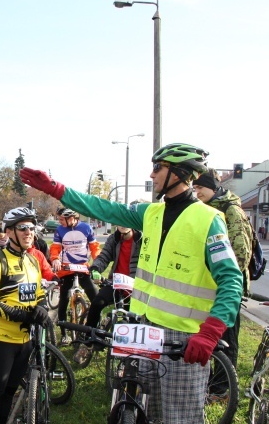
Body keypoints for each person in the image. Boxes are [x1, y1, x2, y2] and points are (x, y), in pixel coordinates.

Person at [20, 143, 243, 424]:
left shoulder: (209, 220)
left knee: (178, 418)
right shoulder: (151, 213)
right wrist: (56, 188)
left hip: (183, 341)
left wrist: (211, 333)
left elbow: (232, 280)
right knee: (136, 410)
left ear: (179, 172)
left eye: (158, 168)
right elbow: (102, 207)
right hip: (142, 329)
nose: (152, 175)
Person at [0, 207, 49, 424]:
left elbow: (39, 294)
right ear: (9, 232)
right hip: (0, 339)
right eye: (23, 227)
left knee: (10, 393)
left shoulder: (33, 261)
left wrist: (42, 307)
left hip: (24, 340)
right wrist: (24, 315)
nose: (29, 232)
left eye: (32, 227)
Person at [193, 167, 253, 389]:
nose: (196, 192)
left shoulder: (231, 211)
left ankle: (222, 387)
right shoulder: (207, 209)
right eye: (194, 187)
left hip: (228, 286)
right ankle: (211, 380)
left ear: (212, 187)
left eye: (200, 187)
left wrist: (226, 281)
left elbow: (240, 253)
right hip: (208, 284)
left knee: (228, 339)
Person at [73, 226, 142, 364]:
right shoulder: (114, 239)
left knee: (133, 321)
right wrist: (95, 269)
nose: (121, 224)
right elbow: (103, 257)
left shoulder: (142, 240)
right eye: (118, 221)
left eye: (124, 221)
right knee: (97, 303)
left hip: (136, 286)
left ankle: (131, 358)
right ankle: (88, 343)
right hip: (116, 283)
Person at [51, 207, 101, 345]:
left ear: (71, 218)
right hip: (66, 268)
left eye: (62, 219)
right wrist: (55, 258)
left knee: (96, 298)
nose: (59, 222)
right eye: (59, 219)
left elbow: (94, 247)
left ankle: (96, 328)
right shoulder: (60, 230)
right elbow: (55, 247)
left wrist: (97, 264)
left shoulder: (86, 228)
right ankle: (64, 334)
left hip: (83, 267)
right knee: (64, 300)